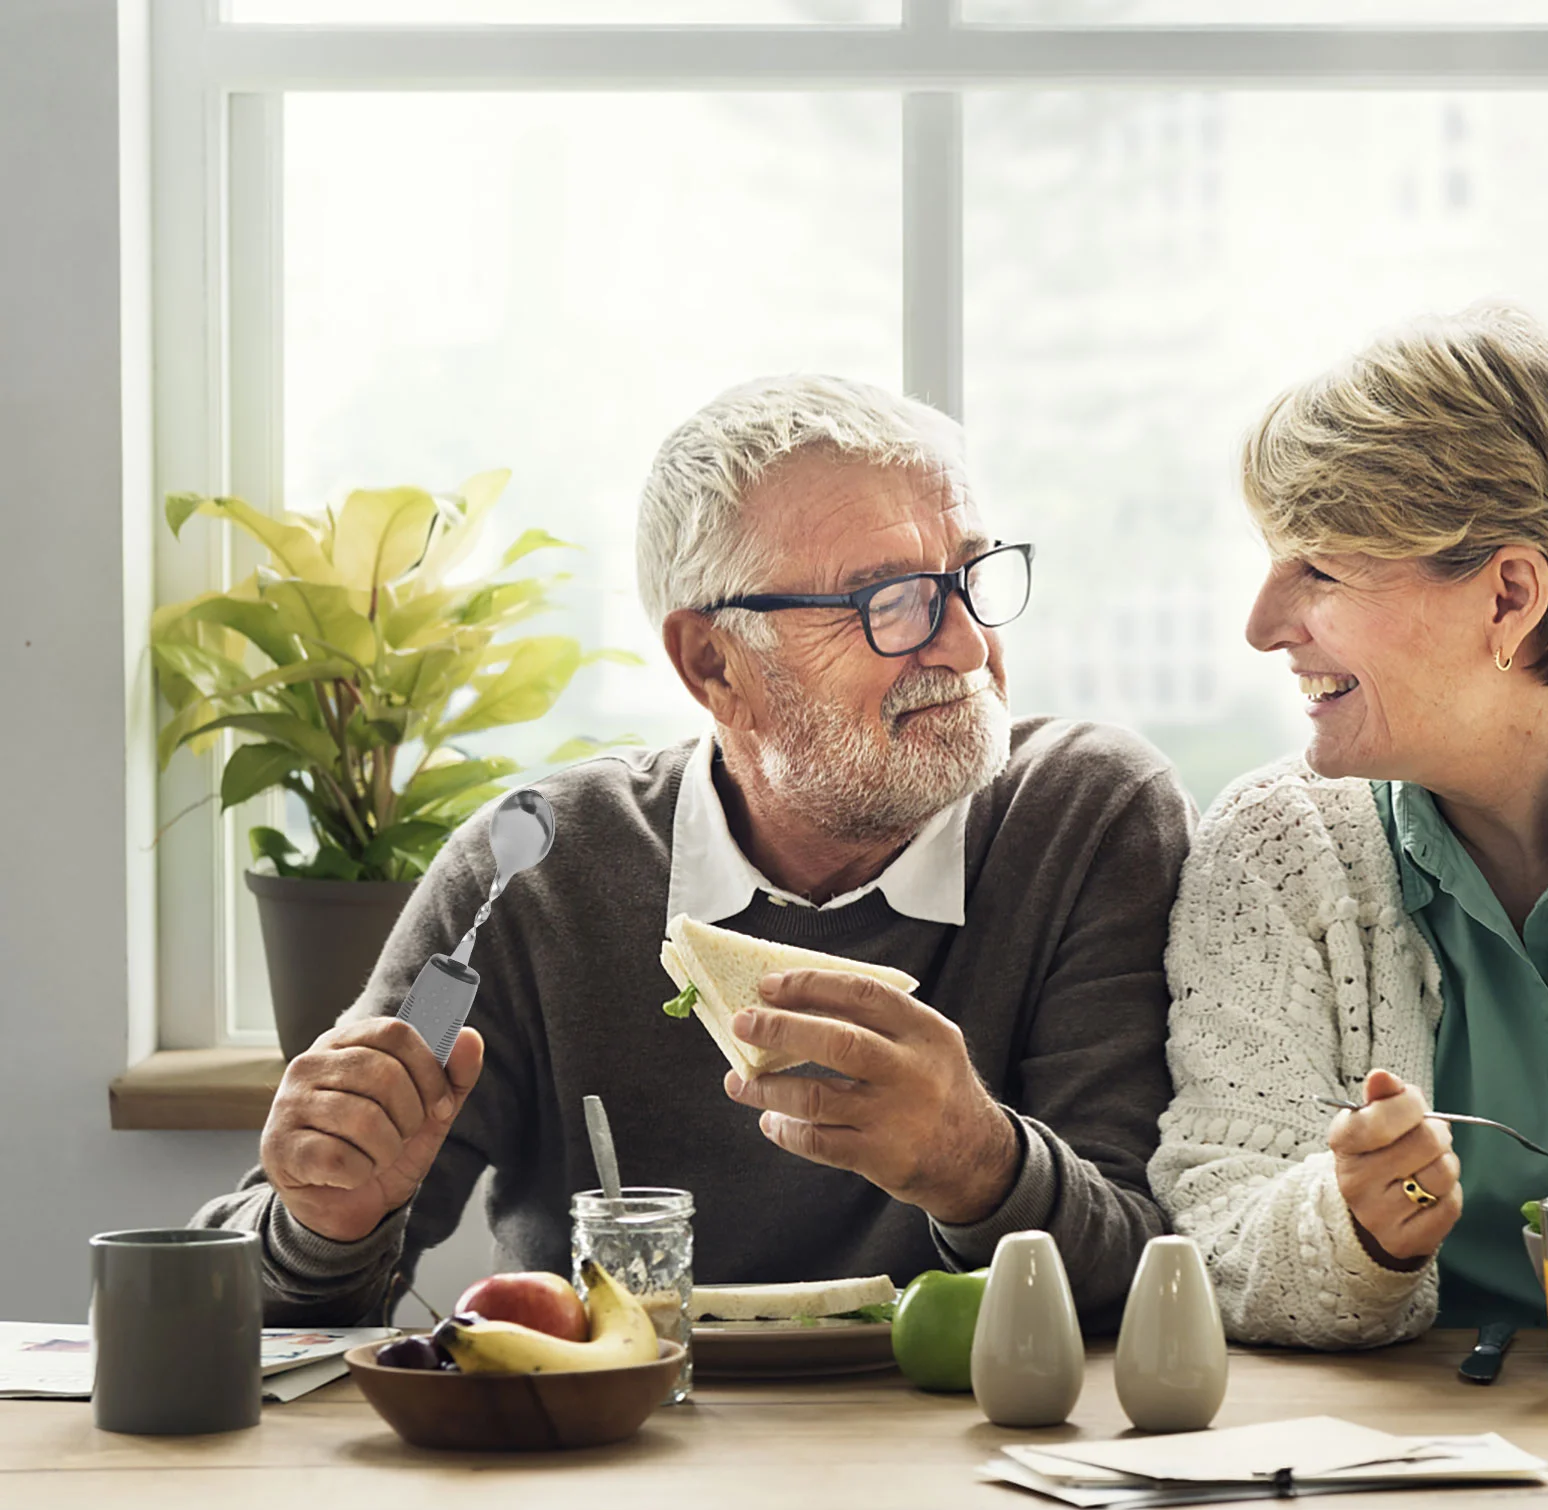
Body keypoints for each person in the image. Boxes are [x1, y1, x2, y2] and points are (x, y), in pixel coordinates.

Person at [194, 375, 1192, 1330]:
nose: (968, 648)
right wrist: (324, 1220)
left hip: (967, 1468)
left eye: (970, 577)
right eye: (890, 602)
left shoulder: (1084, 816)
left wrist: (976, 1161)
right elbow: (244, 1311)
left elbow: (1157, 1282)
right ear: (712, 662)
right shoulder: (538, 868)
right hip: (603, 1460)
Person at [1152, 305, 1548, 1347]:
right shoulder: (1279, 846)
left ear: (1508, 597)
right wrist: (1356, 1230)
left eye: (1318, 568)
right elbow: (1214, 1225)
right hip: (1427, 1449)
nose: (1263, 625)